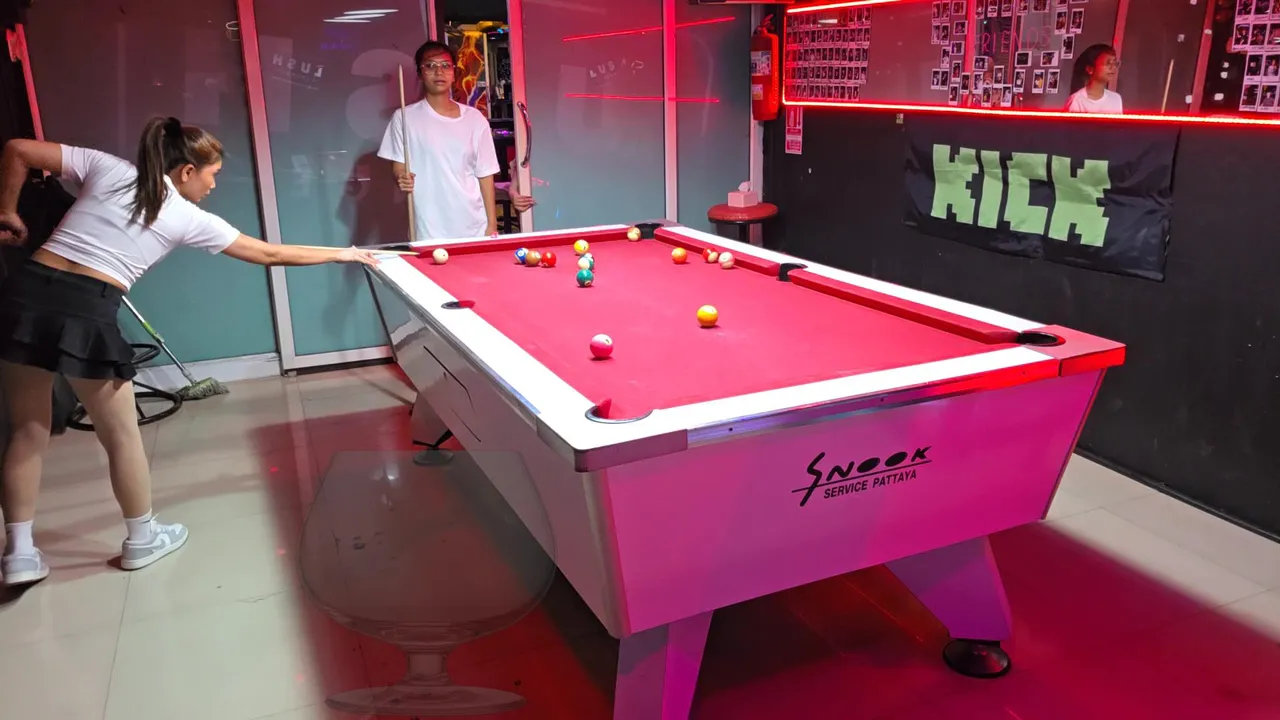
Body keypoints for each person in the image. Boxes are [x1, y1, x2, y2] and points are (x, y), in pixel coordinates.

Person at [0, 117, 378, 587]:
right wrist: (342, 253)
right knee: (121, 436)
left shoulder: (107, 167)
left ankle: (19, 554)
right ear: (185, 172)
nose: (213, 185)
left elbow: (17, 148)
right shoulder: (185, 216)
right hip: (86, 308)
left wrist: (8, 213)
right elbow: (269, 254)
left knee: (28, 429)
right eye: (212, 174)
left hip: (23, 294)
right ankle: (142, 539)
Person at [379, 41, 533, 241]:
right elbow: (399, 166)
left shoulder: (475, 119)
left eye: (445, 65)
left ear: (454, 73)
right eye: (430, 65)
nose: (439, 72)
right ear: (420, 73)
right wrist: (402, 177)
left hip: (474, 226)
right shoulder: (404, 117)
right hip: (428, 228)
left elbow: (485, 176)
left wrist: (492, 224)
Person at [1065, 44, 1123, 114]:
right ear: (1090, 69)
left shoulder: (1116, 98)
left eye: (1115, 63)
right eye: (1108, 63)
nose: (1113, 67)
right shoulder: (1077, 100)